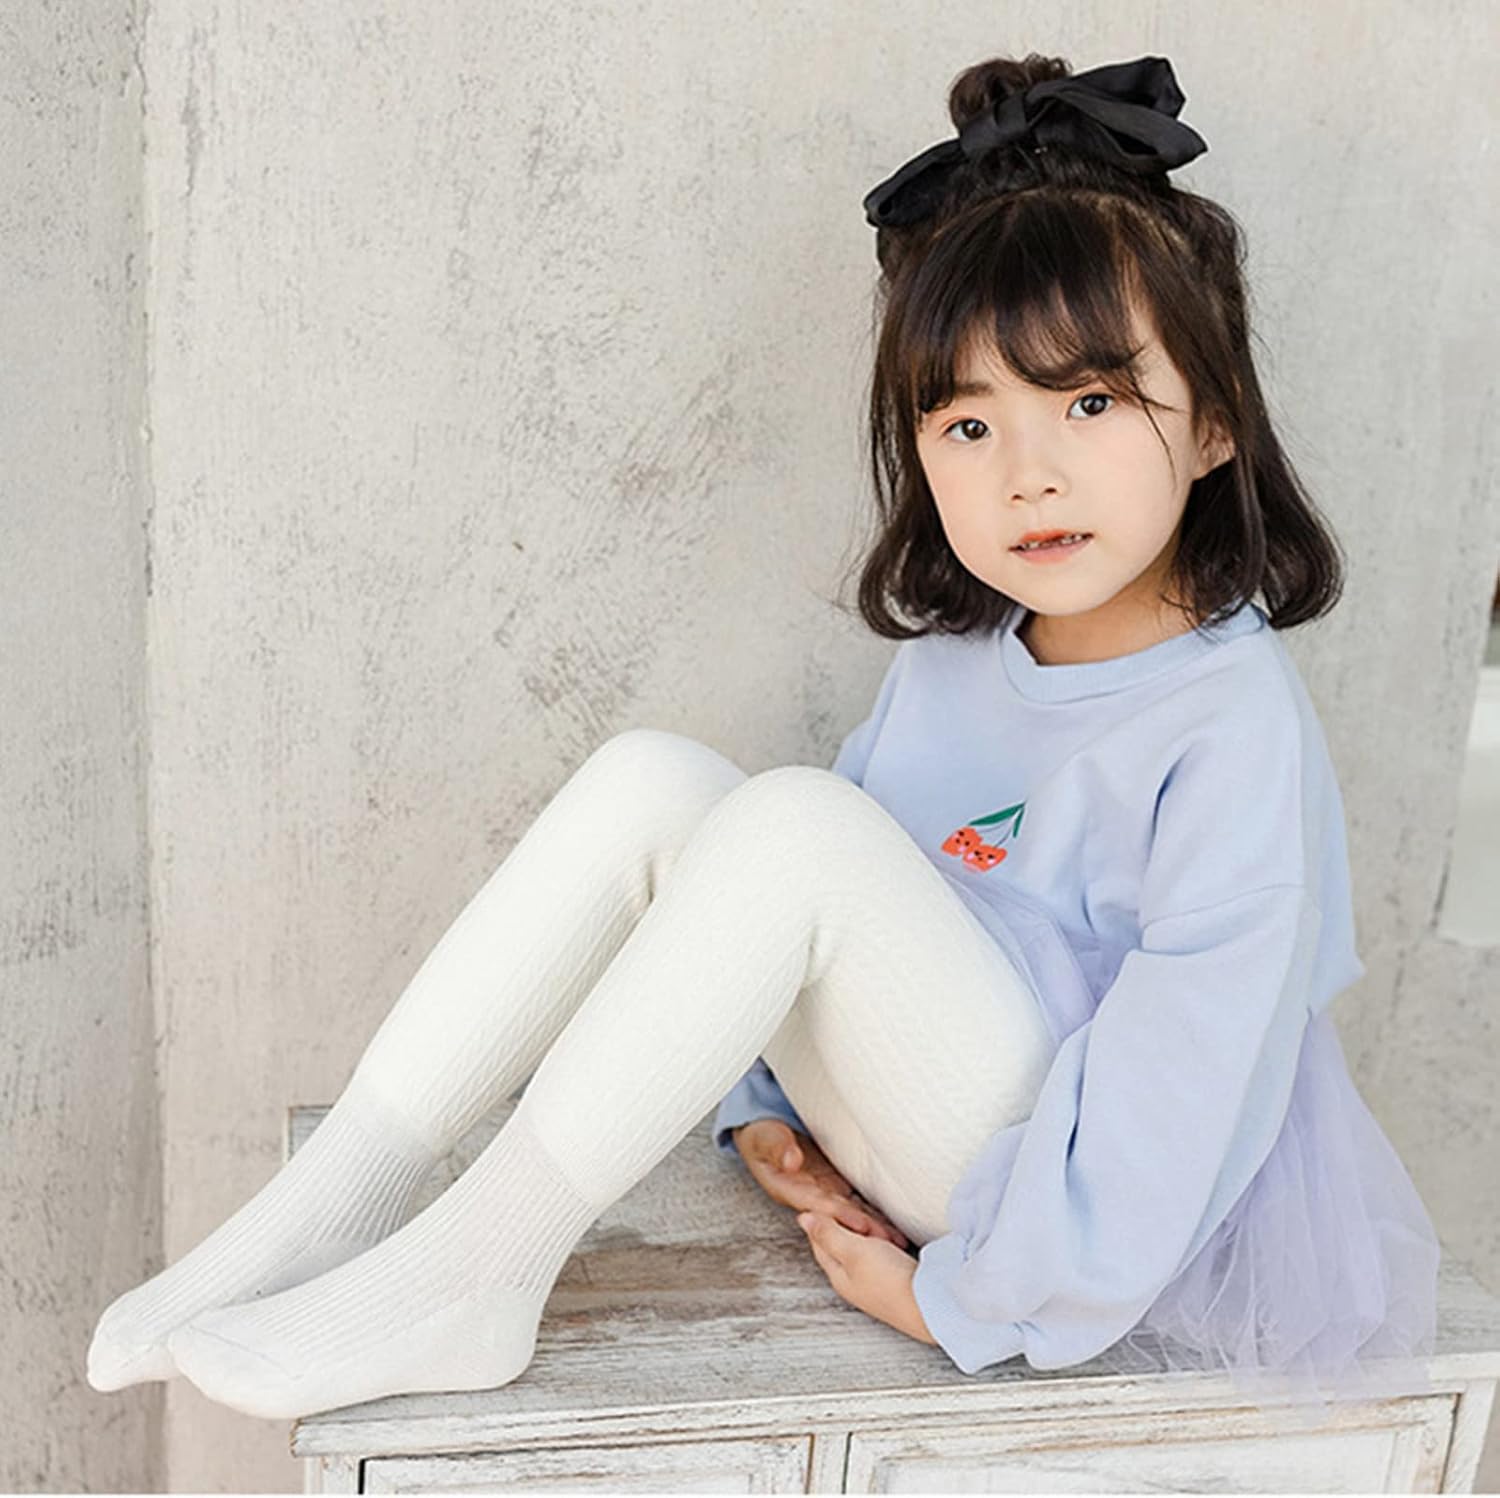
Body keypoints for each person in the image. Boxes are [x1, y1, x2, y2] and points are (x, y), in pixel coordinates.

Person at [86, 51, 1441, 1426]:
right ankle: (332, 1202)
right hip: (928, 1123)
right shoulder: (961, 658)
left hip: (1066, 1209)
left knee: (798, 822)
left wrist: (967, 1301)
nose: (1028, 474)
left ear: (1213, 424)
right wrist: (764, 1113)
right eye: (970, 422)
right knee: (657, 780)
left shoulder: (1231, 726)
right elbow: (819, 924)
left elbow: (1185, 1093)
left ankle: (477, 1271)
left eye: (1090, 404)